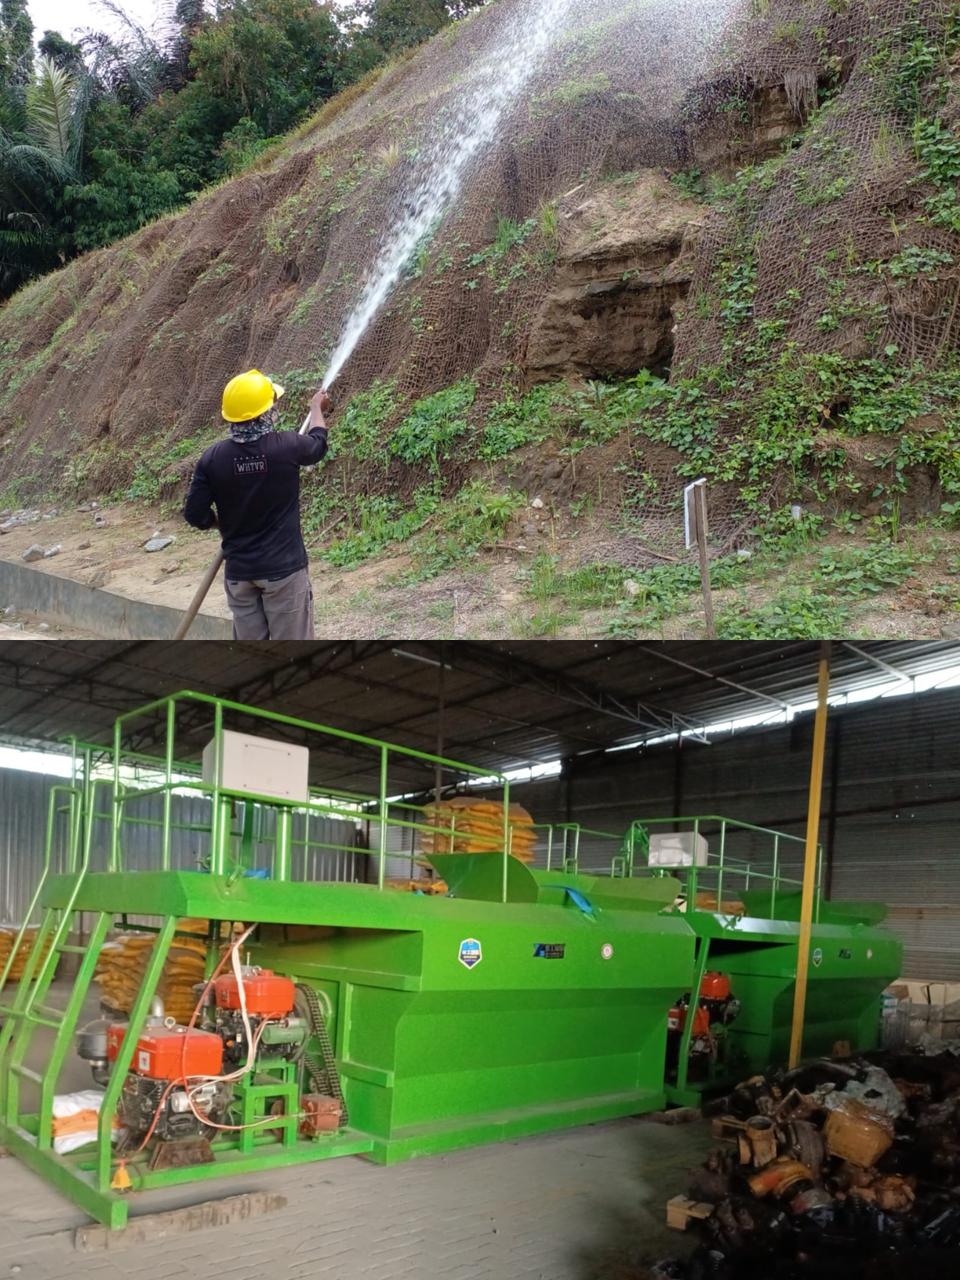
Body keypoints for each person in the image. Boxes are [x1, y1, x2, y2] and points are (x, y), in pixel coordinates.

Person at [183, 369, 331, 640]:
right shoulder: (287, 447)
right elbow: (318, 444)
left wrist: (217, 524)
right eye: (272, 406)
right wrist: (316, 409)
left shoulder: (213, 458)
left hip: (240, 576)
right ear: (263, 414)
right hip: (284, 573)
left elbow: (194, 514)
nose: (275, 410)